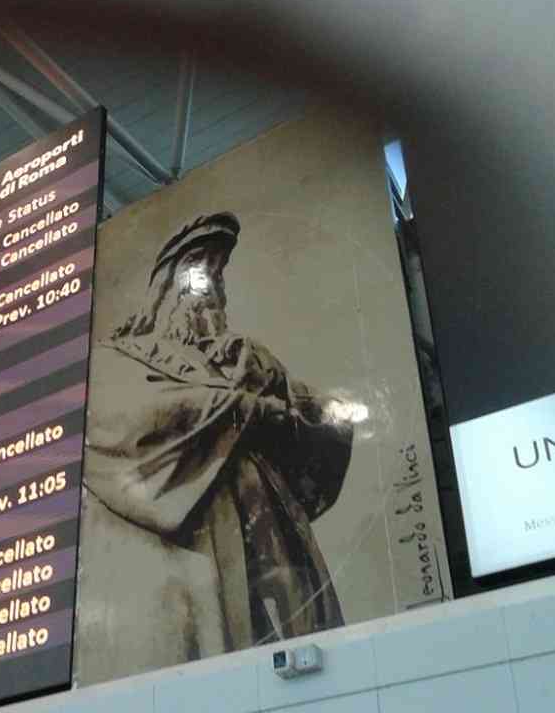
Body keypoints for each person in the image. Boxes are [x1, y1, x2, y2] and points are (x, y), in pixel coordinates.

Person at [82, 212, 353, 667]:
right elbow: (128, 421)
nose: (210, 290)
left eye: (217, 277)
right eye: (198, 273)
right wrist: (245, 406)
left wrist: (269, 390)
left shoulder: (250, 358)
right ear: (166, 287)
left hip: (267, 528)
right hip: (182, 552)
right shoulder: (120, 356)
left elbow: (326, 418)